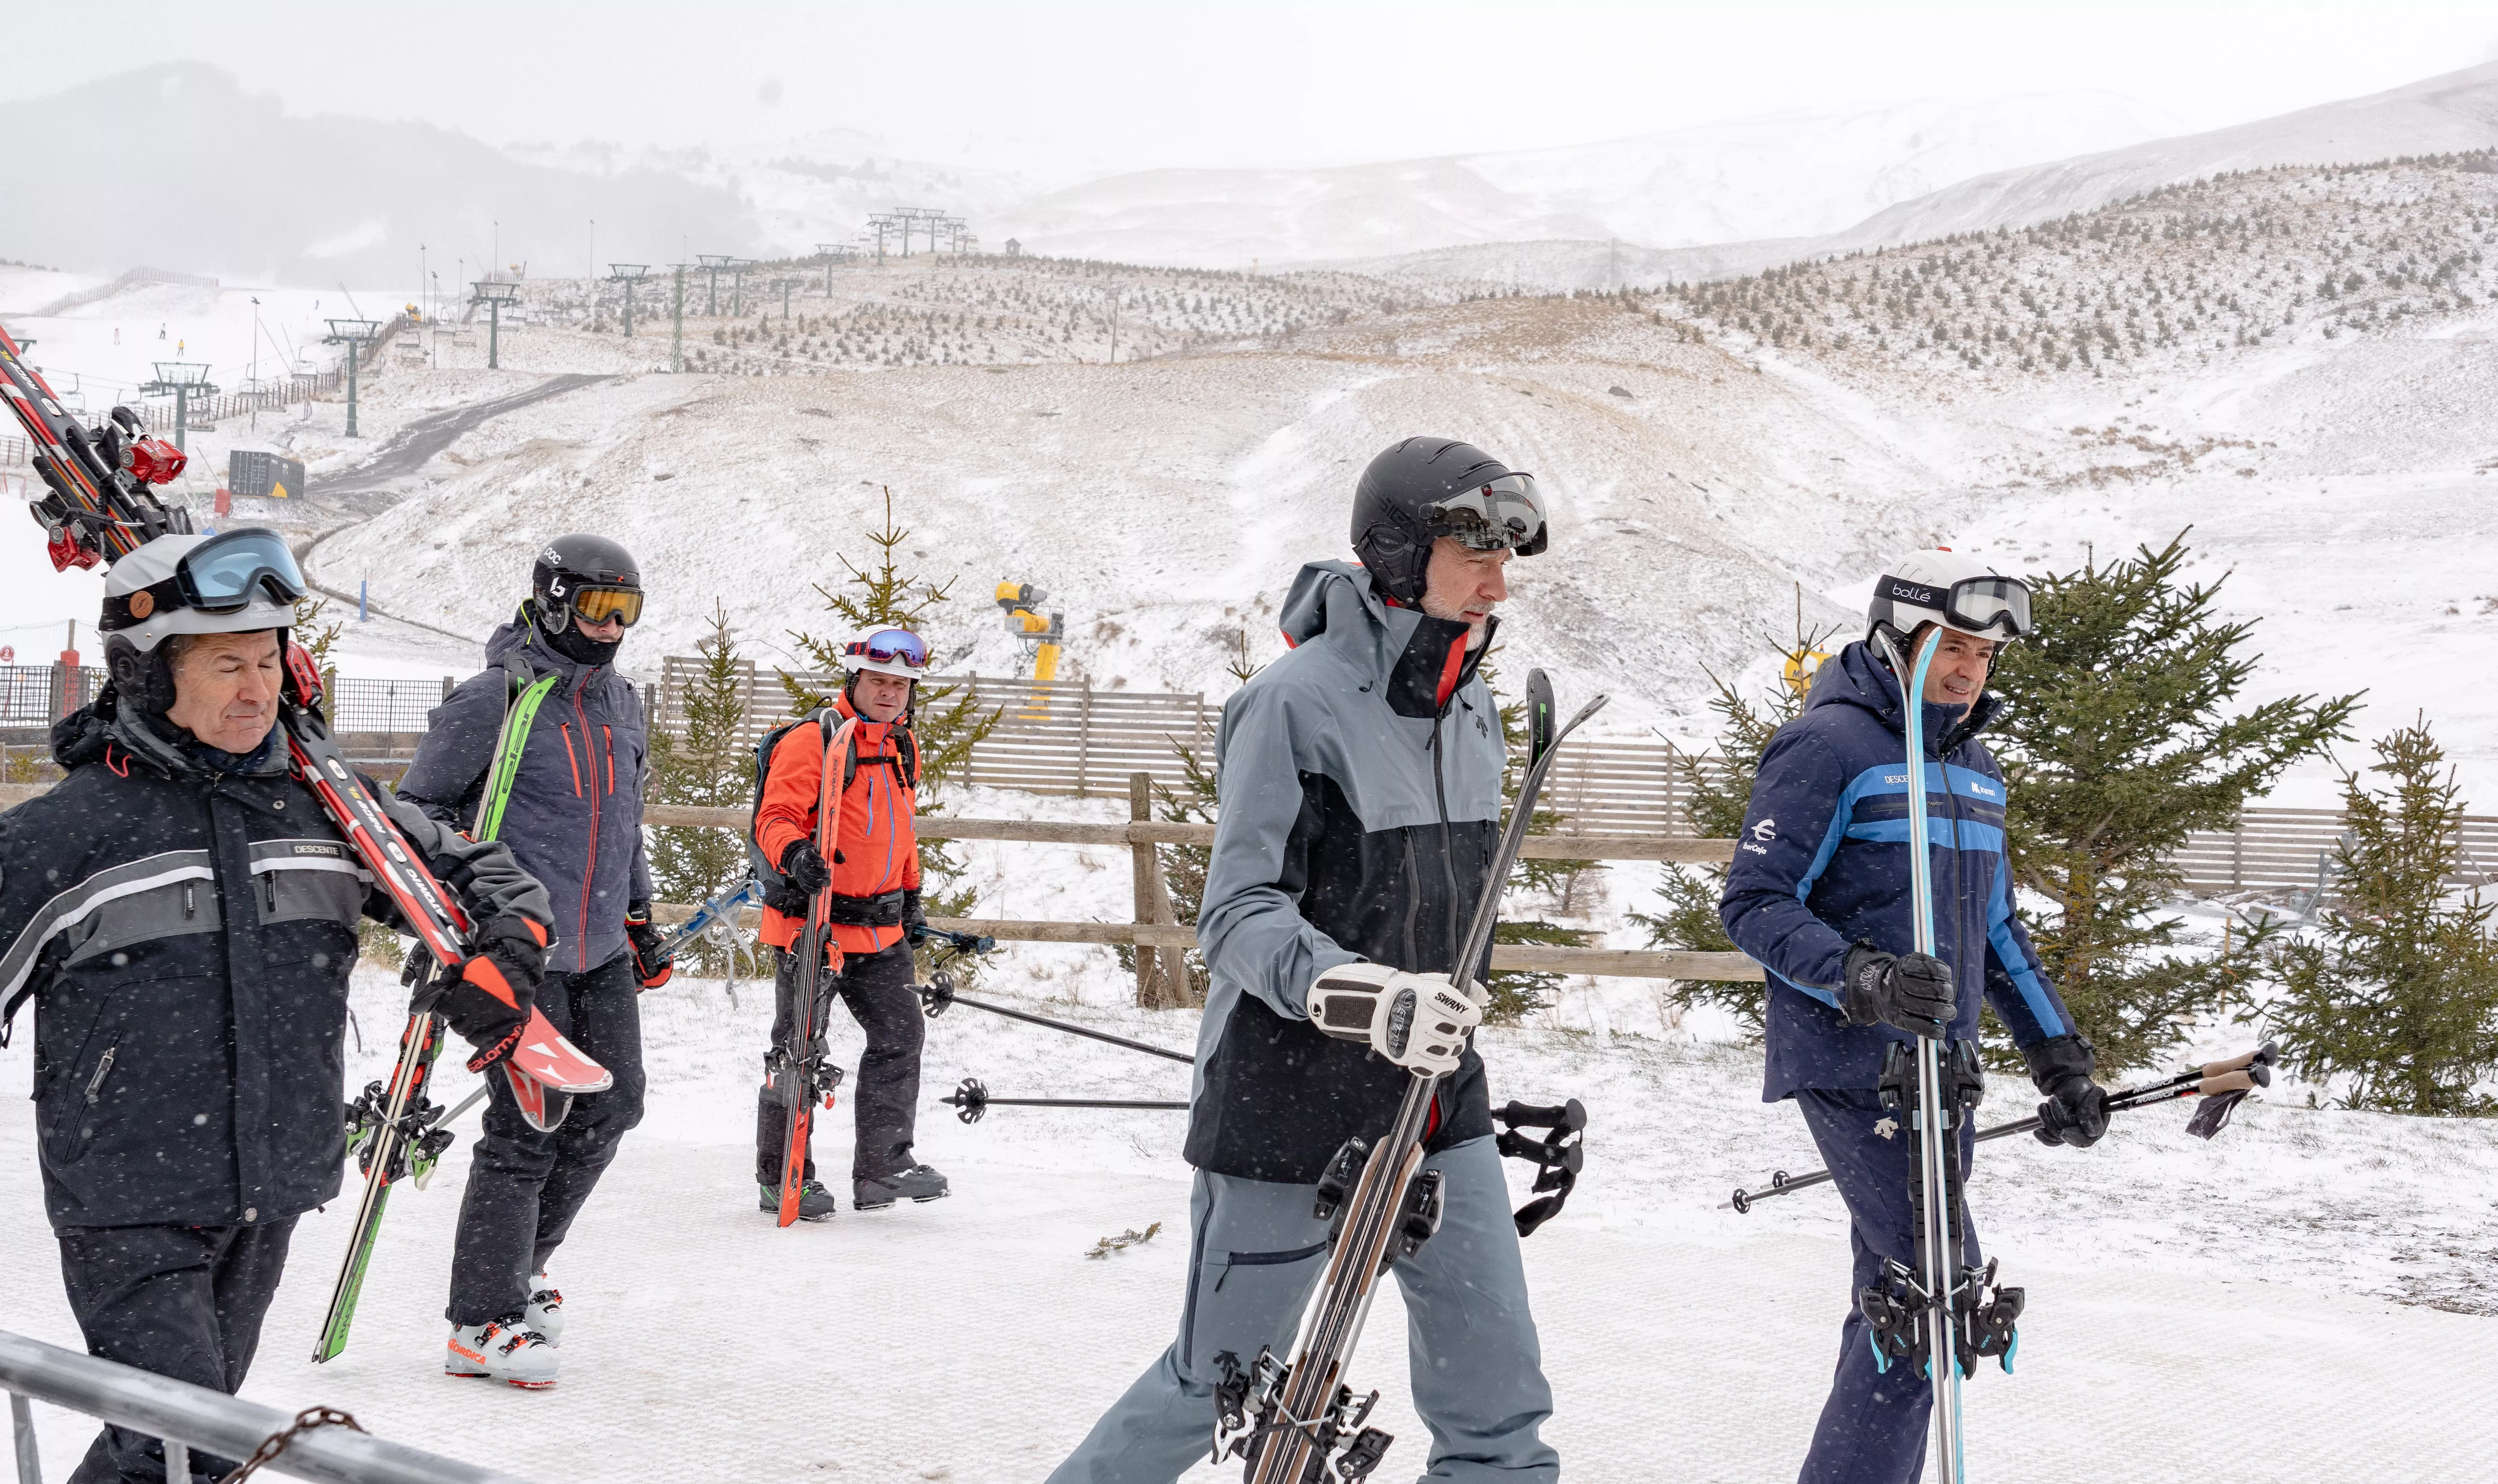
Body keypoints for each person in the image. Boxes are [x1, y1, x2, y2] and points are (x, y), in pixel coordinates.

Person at [1048, 437, 1560, 1484]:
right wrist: (1368, 996)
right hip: (1290, 1101)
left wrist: (1442, 1006)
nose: (1500, 579)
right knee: (1221, 1382)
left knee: (1499, 1412)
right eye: (1478, 551)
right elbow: (1234, 915)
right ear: (1402, 550)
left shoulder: (1470, 710)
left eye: (1510, 554)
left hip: (1433, 1102)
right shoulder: (1292, 702)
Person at [0, 530, 551, 1482]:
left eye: (267, 659)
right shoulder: (66, 838)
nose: (256, 688)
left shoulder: (328, 810)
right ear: (147, 677)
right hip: (129, 1201)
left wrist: (505, 947)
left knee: (164, 1446)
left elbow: (479, 873)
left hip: (273, 1188)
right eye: (225, 665)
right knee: (188, 1444)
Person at [1719, 549, 2110, 1484]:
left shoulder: (1974, 769)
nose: (1971, 668)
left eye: (1984, 652)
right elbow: (1753, 901)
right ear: (1899, 637)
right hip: (1854, 1061)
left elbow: (1996, 929)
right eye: (1952, 646)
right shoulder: (1827, 746)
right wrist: (1860, 976)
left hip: (1945, 1068)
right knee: (1930, 1294)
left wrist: (2057, 1056)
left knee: (1903, 1298)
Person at [396, 533, 669, 1389]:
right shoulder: (494, 700)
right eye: (597, 608)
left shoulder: (622, 701)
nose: (611, 627)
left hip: (598, 952)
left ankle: (518, 1267)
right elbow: (415, 815)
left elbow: (622, 821)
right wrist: (474, 923)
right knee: (526, 1132)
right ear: (554, 601)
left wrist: (640, 913)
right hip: (519, 954)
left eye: (626, 611)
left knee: (613, 1109)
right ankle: (479, 1321)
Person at [751, 628, 947, 1217]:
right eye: (879, 681)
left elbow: (901, 830)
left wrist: (910, 895)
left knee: (899, 1036)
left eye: (900, 684)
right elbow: (776, 816)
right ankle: (782, 1175)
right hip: (814, 924)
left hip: (880, 927)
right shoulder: (816, 740)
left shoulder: (901, 746)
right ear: (854, 681)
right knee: (798, 1048)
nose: (890, 693)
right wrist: (795, 855)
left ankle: (883, 1168)